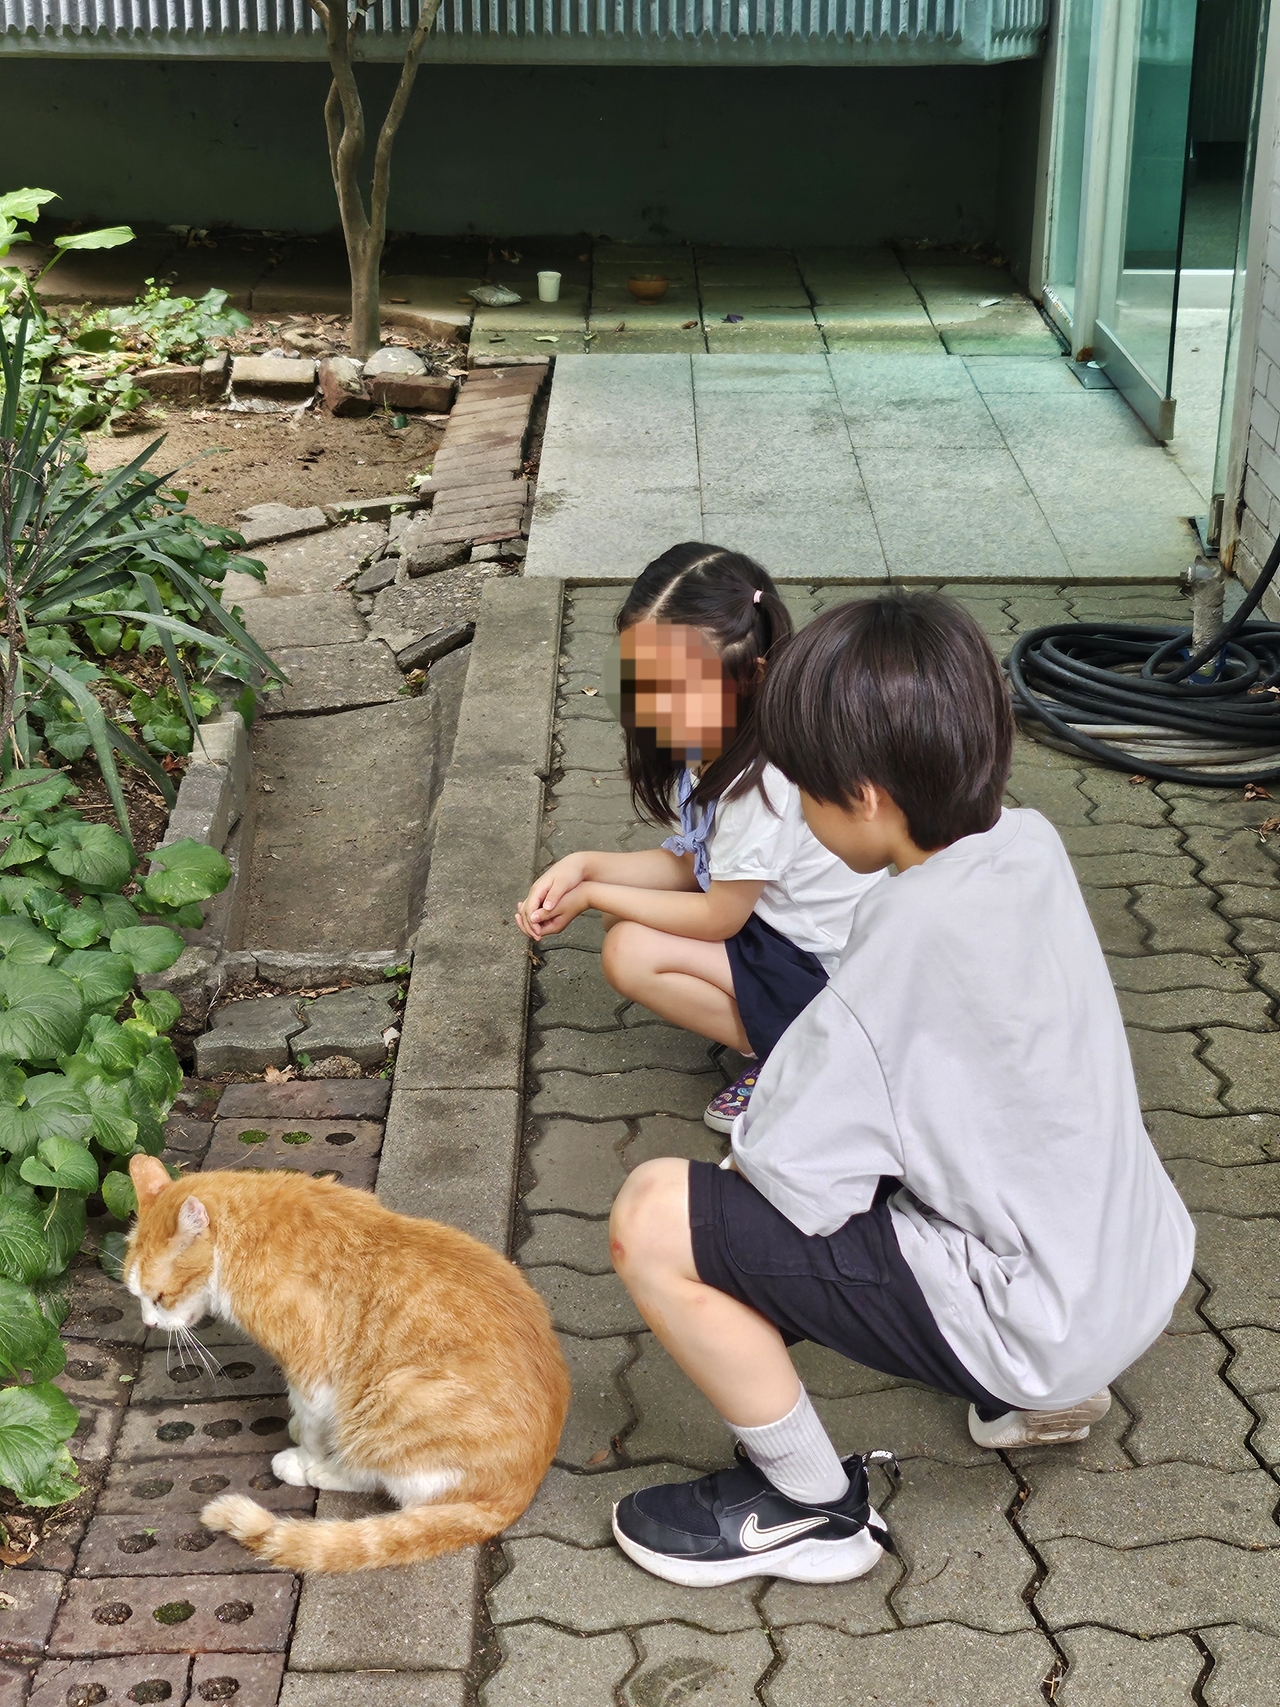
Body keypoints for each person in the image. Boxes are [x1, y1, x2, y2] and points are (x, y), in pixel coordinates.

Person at [606, 591, 1195, 1589]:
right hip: (1127, 1263)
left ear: (868, 797)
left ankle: (807, 1508)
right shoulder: (1026, 843)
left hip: (1033, 1316)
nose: (793, 805)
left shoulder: (901, 941)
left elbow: (792, 1171)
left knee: (656, 1218)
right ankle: (1051, 1397)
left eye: (803, 788)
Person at [515, 543, 883, 1132]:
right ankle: (783, 1033)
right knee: (629, 922)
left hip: (831, 973)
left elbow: (718, 917)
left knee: (629, 947)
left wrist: (592, 895)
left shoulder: (763, 780)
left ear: (750, 674)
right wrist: (585, 865)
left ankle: (806, 1055)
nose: (652, 707)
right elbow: (696, 866)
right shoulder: (718, 738)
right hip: (776, 928)